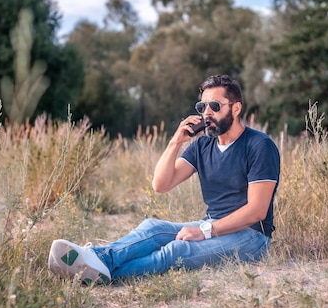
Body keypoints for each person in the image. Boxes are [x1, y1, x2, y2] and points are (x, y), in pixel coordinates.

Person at [48, 74, 280, 284]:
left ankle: (94, 274)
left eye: (215, 106)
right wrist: (175, 142)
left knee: (176, 250)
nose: (207, 113)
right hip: (213, 225)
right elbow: (161, 185)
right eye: (202, 106)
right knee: (153, 228)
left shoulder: (259, 146)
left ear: (236, 108)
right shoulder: (202, 144)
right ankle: (99, 258)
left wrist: (204, 231)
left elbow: (257, 211)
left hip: (252, 238)